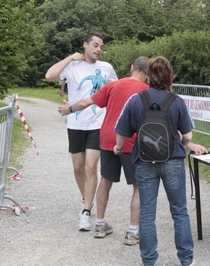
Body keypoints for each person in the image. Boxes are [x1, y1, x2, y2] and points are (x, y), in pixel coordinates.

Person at [58, 56, 149, 244]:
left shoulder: (113, 85)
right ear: (148, 74)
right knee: (138, 186)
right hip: (131, 141)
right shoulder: (146, 91)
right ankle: (132, 231)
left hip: (108, 138)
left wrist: (70, 109)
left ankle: (99, 224)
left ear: (132, 67)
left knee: (106, 181)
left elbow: (85, 102)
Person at [114, 56, 195, 266]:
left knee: (147, 213)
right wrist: (184, 142)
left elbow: (122, 131)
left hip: (144, 161)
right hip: (173, 162)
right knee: (179, 212)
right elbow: (187, 135)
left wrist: (119, 148)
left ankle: (149, 261)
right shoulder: (176, 101)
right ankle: (186, 260)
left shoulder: (135, 100)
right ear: (170, 77)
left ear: (148, 75)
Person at [45, 32, 118, 231]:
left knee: (91, 166)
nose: (98, 50)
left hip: (98, 123)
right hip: (76, 123)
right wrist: (70, 58)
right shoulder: (72, 66)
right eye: (95, 45)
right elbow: (49, 76)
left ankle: (85, 212)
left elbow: (114, 90)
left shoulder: (106, 68)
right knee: (78, 168)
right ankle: (87, 198)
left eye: (101, 47)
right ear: (85, 45)